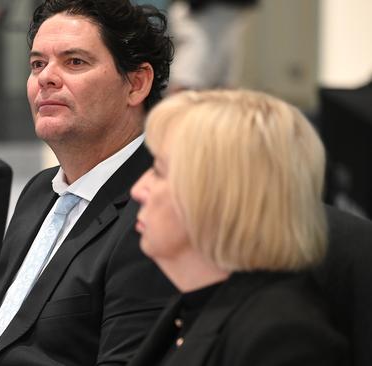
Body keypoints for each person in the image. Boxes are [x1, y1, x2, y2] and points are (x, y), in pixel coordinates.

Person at [0, 1, 177, 365]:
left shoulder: (156, 214)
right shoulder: (40, 191)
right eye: (38, 64)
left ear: (136, 84)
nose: (46, 78)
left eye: (75, 62)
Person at [128, 89, 347, 366]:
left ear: (218, 196)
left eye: (158, 171)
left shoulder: (281, 339)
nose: (139, 190)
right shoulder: (195, 300)